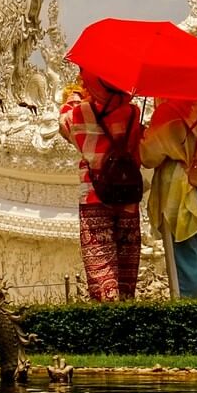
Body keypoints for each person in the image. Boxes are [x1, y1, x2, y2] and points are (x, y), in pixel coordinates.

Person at [59, 70, 144, 301]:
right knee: (126, 268)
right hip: (128, 196)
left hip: (95, 195)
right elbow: (139, 153)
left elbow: (63, 123)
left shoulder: (81, 112)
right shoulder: (132, 113)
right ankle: (127, 311)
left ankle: (108, 318)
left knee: (101, 269)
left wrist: (75, 94)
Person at [142, 98, 197, 298]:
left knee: (186, 263)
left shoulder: (168, 111)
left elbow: (148, 156)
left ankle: (191, 319)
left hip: (180, 190)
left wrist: (142, 135)